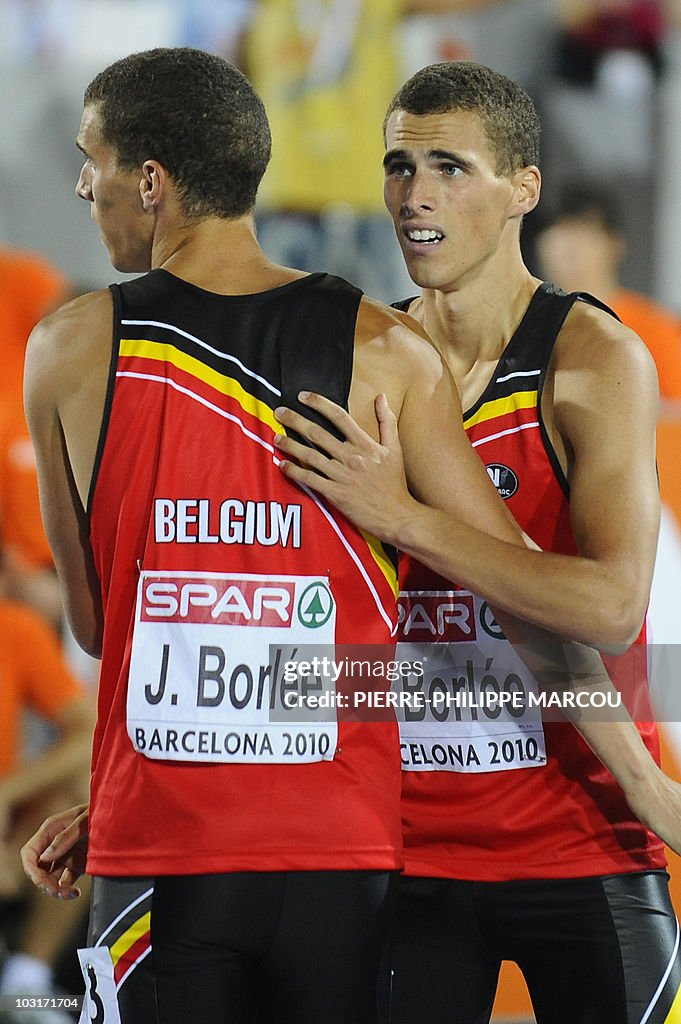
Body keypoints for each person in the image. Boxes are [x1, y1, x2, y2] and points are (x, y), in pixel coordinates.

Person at [18, 46, 582, 1024]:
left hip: (163, 846)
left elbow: (102, 625)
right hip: (339, 849)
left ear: (150, 182)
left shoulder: (70, 347)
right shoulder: (391, 349)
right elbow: (520, 586)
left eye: (92, 158)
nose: (81, 183)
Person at [271, 62, 681, 1023]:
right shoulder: (359, 356)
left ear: (521, 190)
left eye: (449, 167)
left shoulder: (591, 360)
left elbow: (609, 606)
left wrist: (408, 517)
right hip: (401, 850)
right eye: (398, 164)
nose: (414, 195)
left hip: (581, 837)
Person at [0, 545, 92, 1024]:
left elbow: (89, 730)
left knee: (88, 803)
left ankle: (27, 984)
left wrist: (7, 793)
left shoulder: (15, 628)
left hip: (7, 828)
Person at [534, 182, 681, 403]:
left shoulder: (656, 329)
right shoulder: (525, 328)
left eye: (584, 233)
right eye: (560, 233)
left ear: (614, 244)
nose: (569, 249)